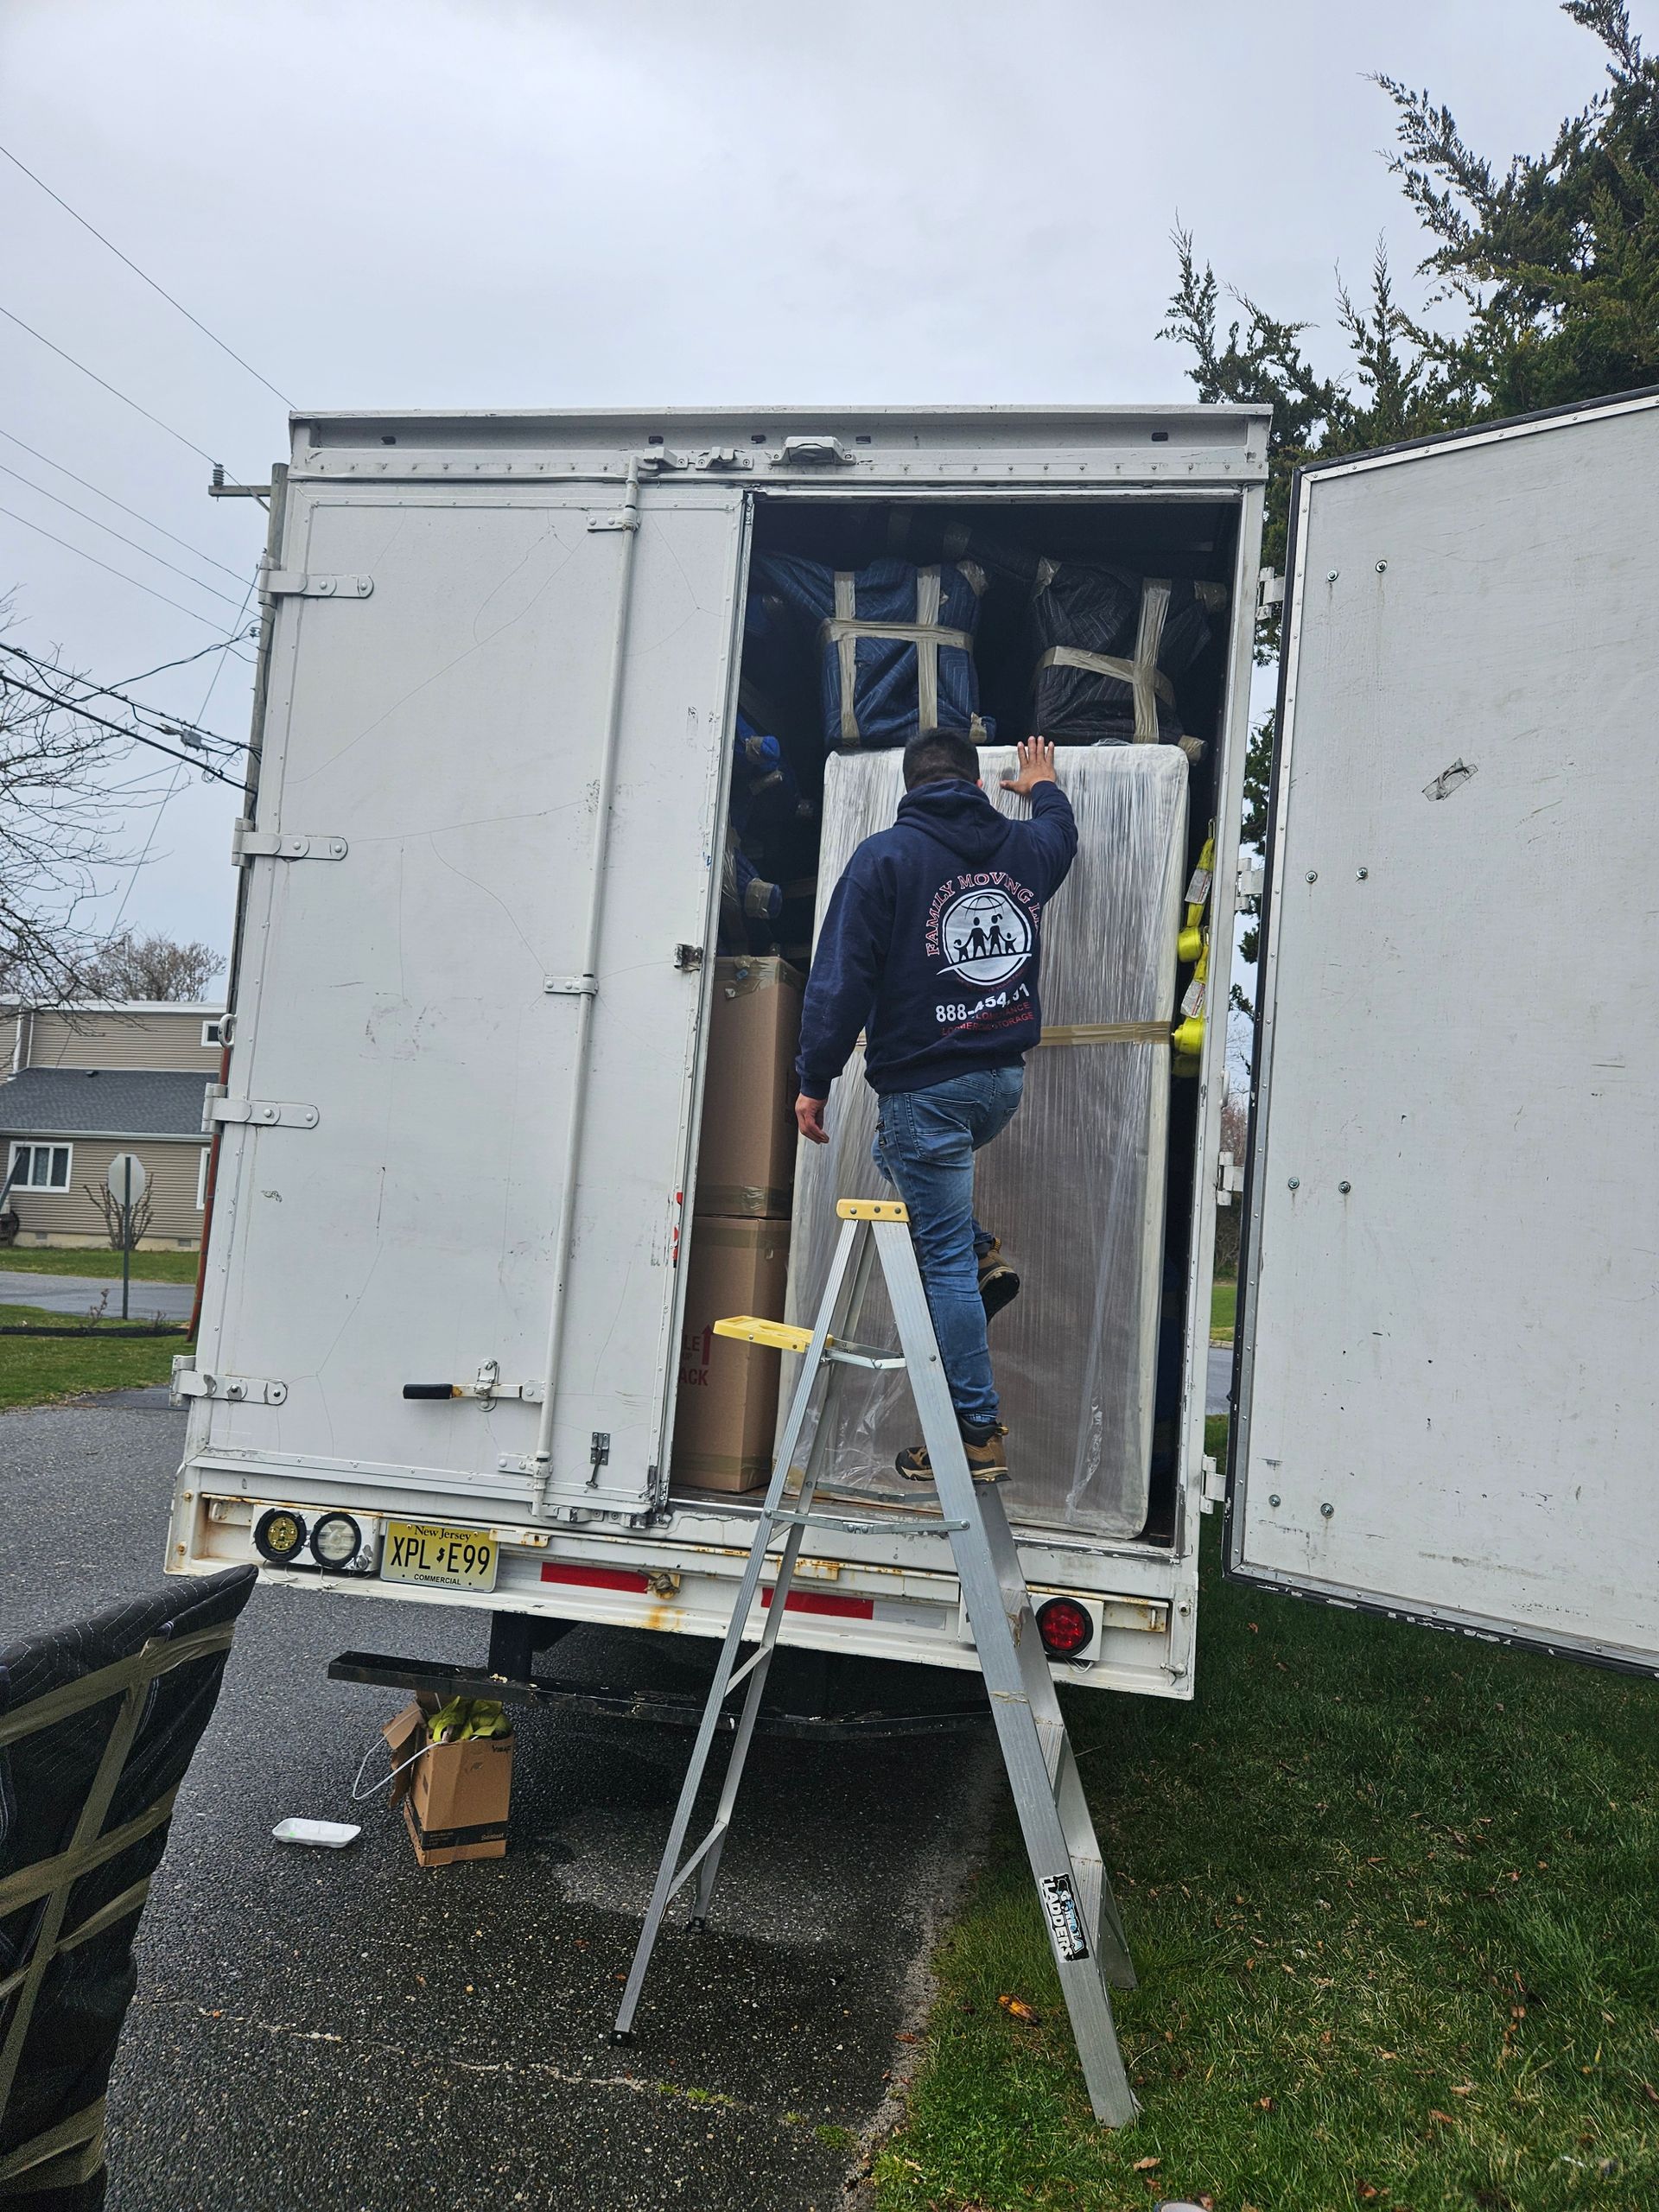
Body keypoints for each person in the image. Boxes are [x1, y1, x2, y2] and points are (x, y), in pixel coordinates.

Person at [794, 728, 1077, 1481]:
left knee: (939, 1261)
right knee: (896, 1150)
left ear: (909, 790)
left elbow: (841, 979)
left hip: (926, 1088)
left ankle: (974, 1434)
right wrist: (1043, 785)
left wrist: (814, 1078)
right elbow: (1060, 837)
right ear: (978, 787)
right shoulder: (1021, 850)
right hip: (999, 1085)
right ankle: (979, 1250)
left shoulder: (885, 858)